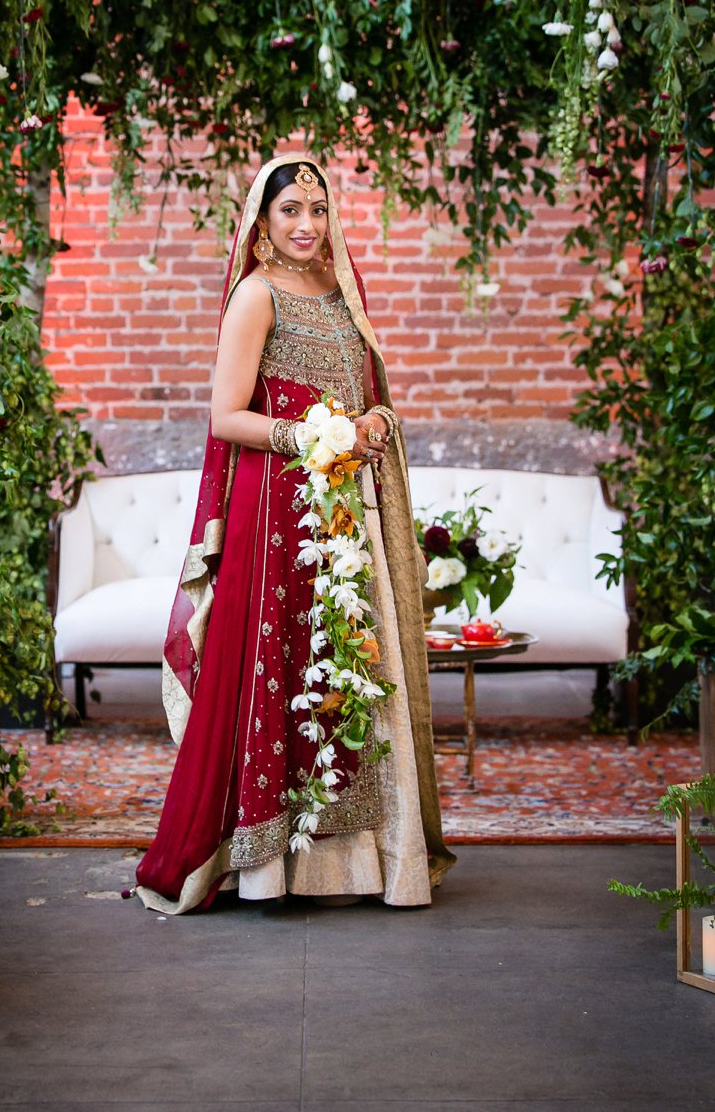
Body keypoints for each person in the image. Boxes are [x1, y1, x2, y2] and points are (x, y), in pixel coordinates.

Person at [134, 154, 455, 913]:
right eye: (291, 211)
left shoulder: (343, 293)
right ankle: (274, 867)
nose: (307, 224)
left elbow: (369, 396)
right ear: (263, 221)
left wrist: (375, 422)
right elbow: (225, 417)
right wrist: (313, 438)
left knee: (354, 673)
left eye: (318, 208)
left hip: (350, 512)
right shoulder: (256, 295)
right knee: (286, 673)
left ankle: (364, 865)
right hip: (280, 513)